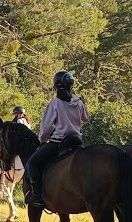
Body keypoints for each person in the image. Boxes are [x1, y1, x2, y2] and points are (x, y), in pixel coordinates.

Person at [25, 71, 90, 210]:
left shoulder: (55, 103)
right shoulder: (78, 102)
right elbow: (86, 118)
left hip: (58, 142)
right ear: (71, 85)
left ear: (56, 85)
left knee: (33, 162)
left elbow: (46, 127)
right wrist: (82, 106)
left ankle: (37, 196)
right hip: (76, 141)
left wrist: (42, 139)